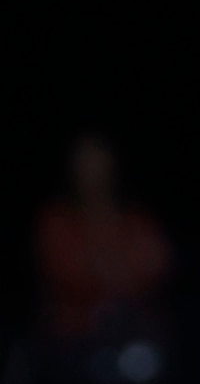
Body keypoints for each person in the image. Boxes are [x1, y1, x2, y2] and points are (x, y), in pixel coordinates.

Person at [33, 131, 170, 342]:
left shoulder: (137, 221)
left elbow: (157, 267)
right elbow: (66, 274)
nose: (92, 171)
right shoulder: (56, 220)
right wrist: (118, 267)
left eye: (98, 162)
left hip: (135, 338)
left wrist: (102, 266)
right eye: (84, 163)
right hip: (74, 339)